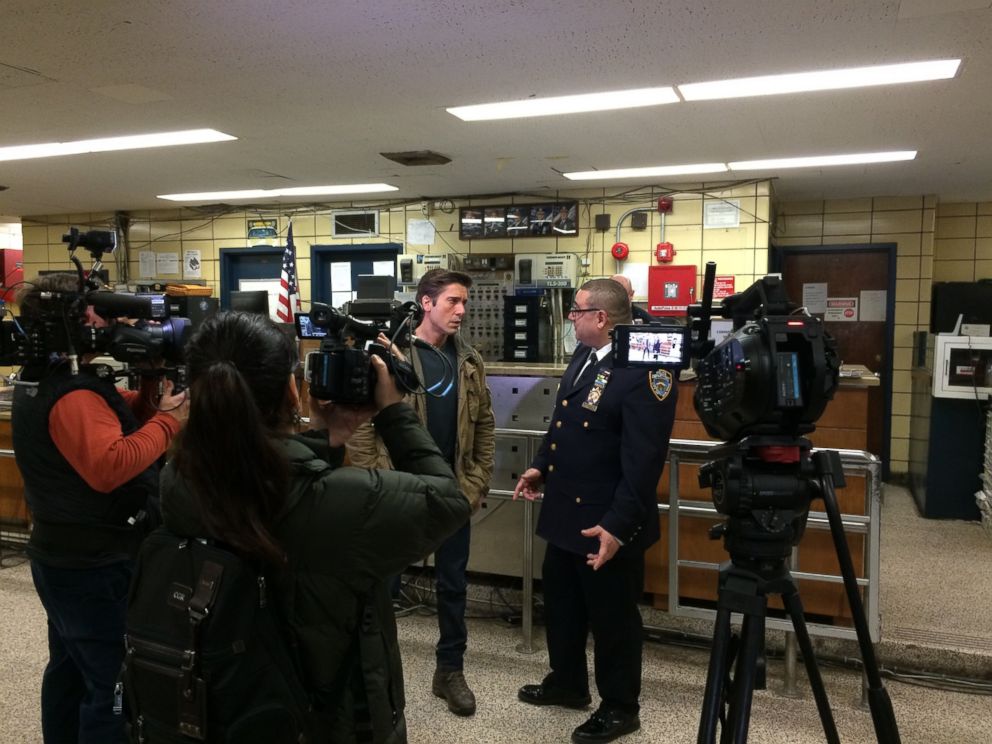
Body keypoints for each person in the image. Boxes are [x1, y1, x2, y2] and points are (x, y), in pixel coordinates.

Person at [157, 311, 470, 742]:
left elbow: (266, 481)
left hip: (227, 700)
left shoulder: (178, 477)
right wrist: (394, 411)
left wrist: (326, 439)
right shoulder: (342, 502)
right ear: (292, 389)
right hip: (323, 713)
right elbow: (448, 502)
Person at [11, 273, 190, 744]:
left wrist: (153, 385)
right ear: (78, 320)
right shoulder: (73, 394)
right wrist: (171, 422)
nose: (111, 323)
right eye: (101, 313)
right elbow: (110, 466)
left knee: (70, 669)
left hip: (64, 555)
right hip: (91, 564)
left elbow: (123, 416)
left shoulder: (47, 379)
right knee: (111, 682)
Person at [513, 278, 678, 744]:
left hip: (608, 519)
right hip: (567, 509)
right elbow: (565, 421)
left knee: (613, 619)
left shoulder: (647, 371)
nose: (572, 318)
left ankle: (621, 707)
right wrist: (540, 466)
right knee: (563, 606)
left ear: (601, 318)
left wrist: (618, 526)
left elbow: (644, 461)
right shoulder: (586, 355)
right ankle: (567, 683)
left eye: (577, 311)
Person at [347, 268, 495, 718]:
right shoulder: (391, 355)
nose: (462, 311)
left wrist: (475, 482)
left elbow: (484, 424)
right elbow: (362, 426)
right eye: (453, 301)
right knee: (383, 584)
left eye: (465, 302)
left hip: (452, 493)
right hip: (399, 492)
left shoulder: (468, 359)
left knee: (453, 587)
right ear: (426, 303)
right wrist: (378, 483)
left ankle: (449, 670)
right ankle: (369, 669)